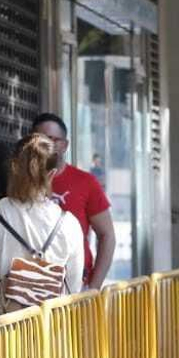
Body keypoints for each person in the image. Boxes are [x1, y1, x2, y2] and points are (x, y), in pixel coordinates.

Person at [0, 133, 85, 322]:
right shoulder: (68, 222)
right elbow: (73, 285)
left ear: (12, 168)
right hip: (48, 328)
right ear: (51, 174)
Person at [31, 113, 116, 290]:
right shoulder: (20, 181)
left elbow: (107, 235)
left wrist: (94, 286)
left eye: (53, 139)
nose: (47, 145)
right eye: (40, 139)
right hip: (29, 284)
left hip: (75, 284)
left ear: (65, 145)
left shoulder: (85, 182)